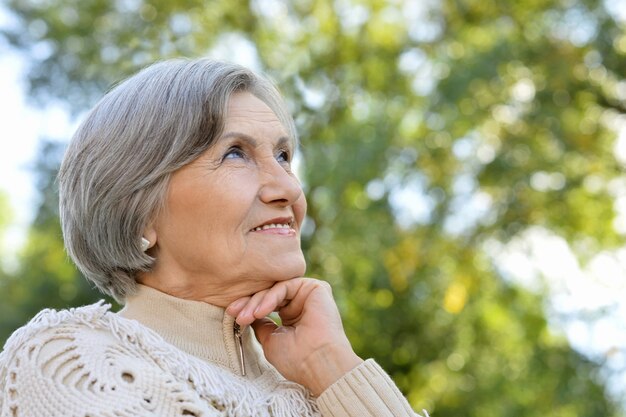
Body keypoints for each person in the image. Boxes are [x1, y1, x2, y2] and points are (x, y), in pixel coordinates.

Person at [0, 58, 427, 417]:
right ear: (140, 214)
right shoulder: (71, 360)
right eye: (235, 153)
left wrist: (331, 366)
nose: (290, 189)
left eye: (283, 156)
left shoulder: (318, 390)